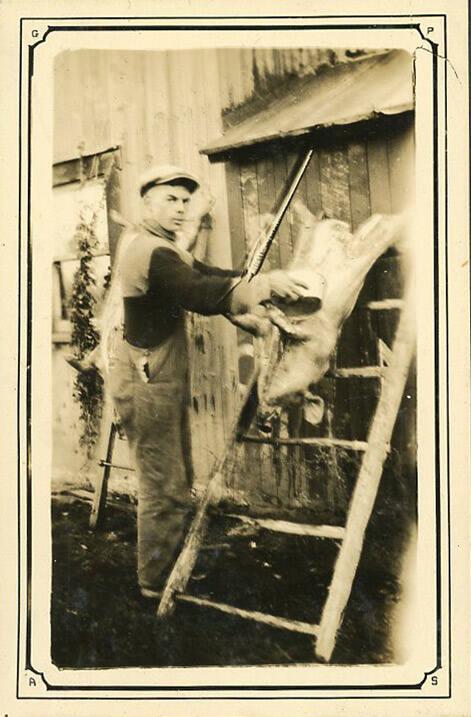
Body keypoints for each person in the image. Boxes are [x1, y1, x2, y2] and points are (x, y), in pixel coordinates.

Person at [107, 164, 308, 599]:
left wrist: (252, 280)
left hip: (159, 375)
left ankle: (171, 568)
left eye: (184, 201)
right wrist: (262, 285)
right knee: (162, 482)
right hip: (146, 380)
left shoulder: (166, 246)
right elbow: (199, 294)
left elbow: (207, 275)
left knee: (177, 475)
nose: (180, 209)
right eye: (169, 200)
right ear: (146, 203)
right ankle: (153, 581)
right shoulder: (150, 251)